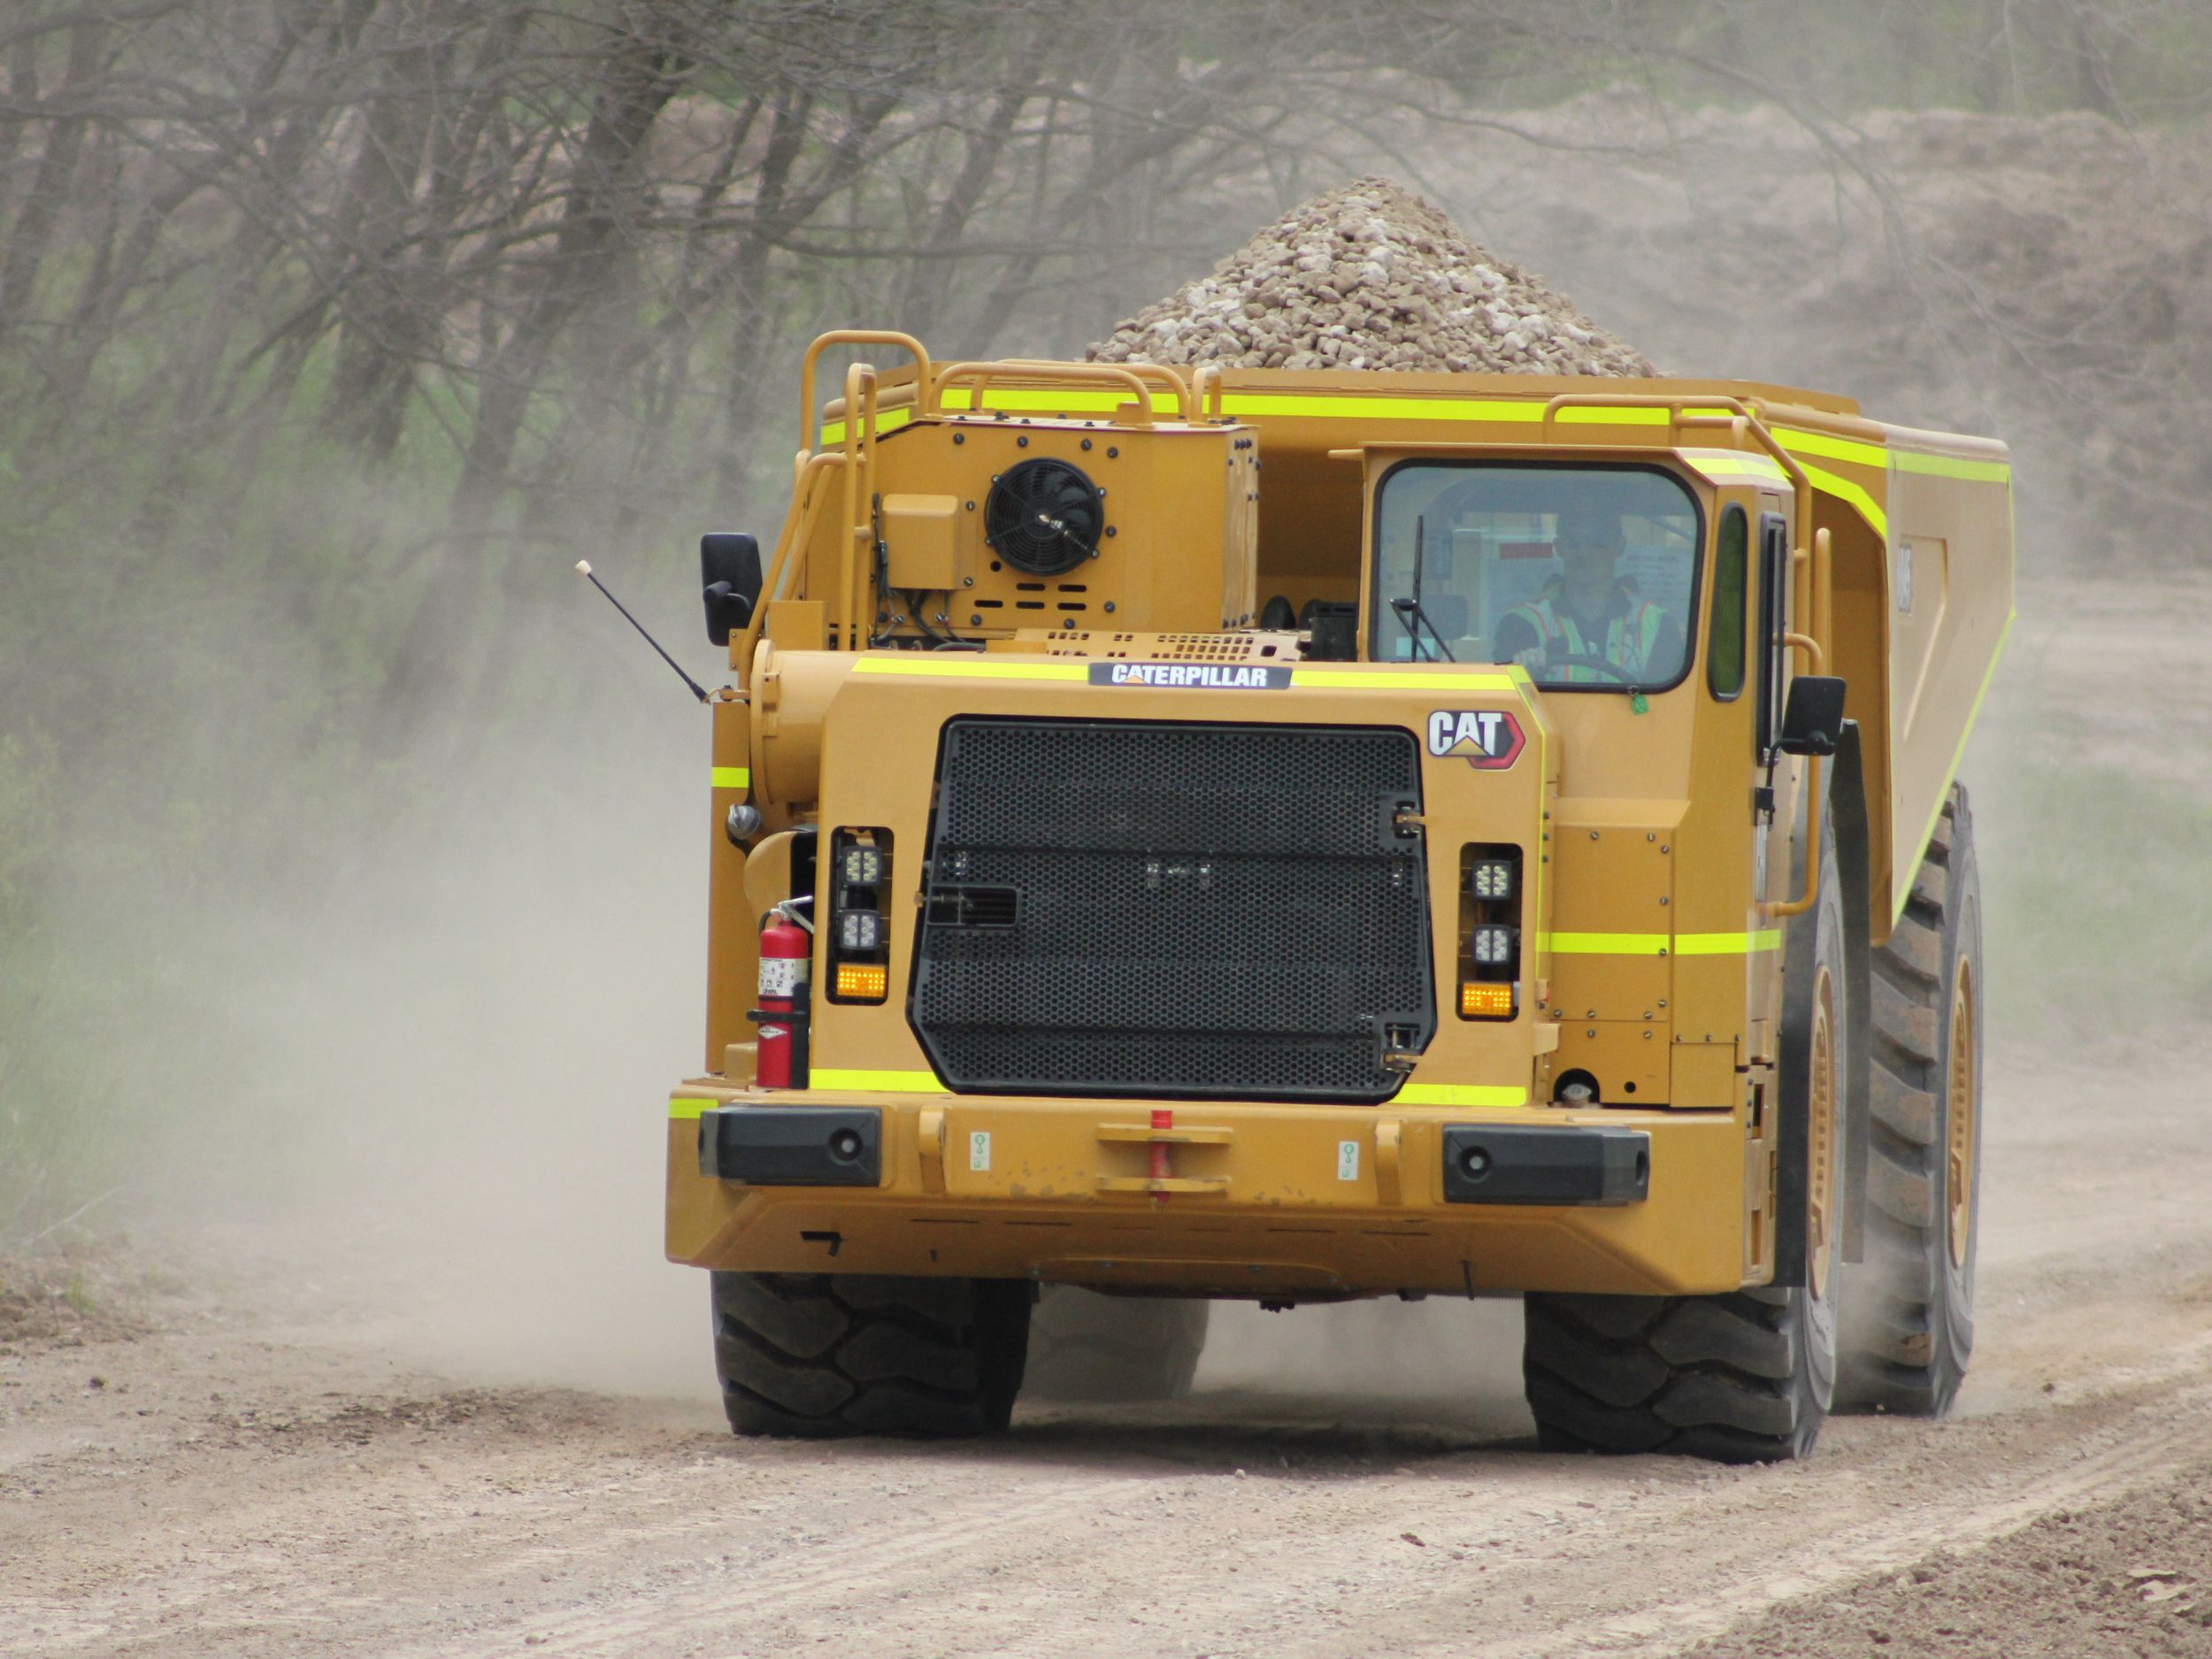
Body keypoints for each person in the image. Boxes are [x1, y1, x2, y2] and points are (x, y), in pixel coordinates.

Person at [1490, 505, 1685, 684]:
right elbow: (1506, 702)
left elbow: (1667, 706)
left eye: (1598, 543)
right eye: (1574, 543)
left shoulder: (1658, 624)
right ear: (1558, 547)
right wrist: (1526, 678)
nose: (1584, 554)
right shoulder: (1520, 623)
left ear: (1620, 546)